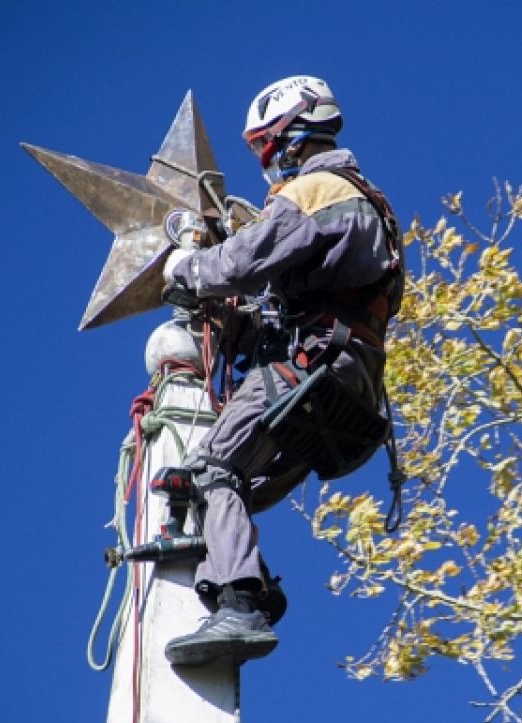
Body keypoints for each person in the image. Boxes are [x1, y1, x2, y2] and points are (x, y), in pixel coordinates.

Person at [158, 76, 403, 668]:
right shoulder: (371, 207)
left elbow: (246, 259)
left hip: (312, 365)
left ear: (288, 137)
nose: (266, 164)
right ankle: (252, 582)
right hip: (349, 379)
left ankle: (240, 605)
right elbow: (297, 291)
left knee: (215, 465)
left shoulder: (317, 189)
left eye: (265, 149)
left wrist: (189, 268)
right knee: (232, 483)